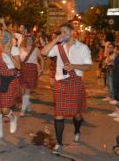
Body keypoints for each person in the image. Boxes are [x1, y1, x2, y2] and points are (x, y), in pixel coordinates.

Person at [41, 22, 92, 154]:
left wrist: (74, 66)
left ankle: (77, 130)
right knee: (58, 114)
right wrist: (55, 40)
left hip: (75, 82)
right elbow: (43, 52)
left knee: (77, 113)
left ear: (72, 31)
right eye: (61, 32)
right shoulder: (58, 48)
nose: (63, 34)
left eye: (65, 31)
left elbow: (89, 66)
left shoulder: (83, 48)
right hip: (61, 84)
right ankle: (59, 142)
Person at [0, 30, 21, 141]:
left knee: (5, 110)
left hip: (10, 80)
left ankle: (12, 117)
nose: (4, 38)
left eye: (7, 36)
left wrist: (10, 55)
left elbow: (19, 67)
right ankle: (0, 132)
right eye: (2, 36)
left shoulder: (14, 49)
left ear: (10, 37)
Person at [19, 34, 44, 116]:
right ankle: (28, 104)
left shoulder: (36, 49)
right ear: (25, 40)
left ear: (33, 41)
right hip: (22, 69)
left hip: (32, 70)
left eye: (31, 39)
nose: (29, 41)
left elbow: (41, 59)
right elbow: (18, 59)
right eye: (28, 39)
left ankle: (22, 110)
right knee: (22, 91)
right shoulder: (21, 48)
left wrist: (41, 69)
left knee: (27, 90)